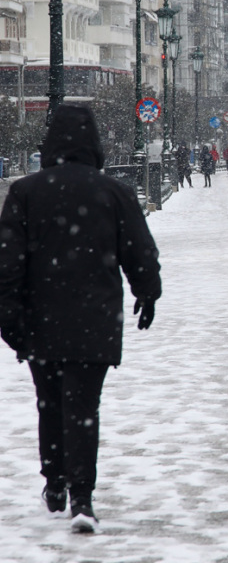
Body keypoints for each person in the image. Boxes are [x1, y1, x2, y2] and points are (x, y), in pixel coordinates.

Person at [0, 104, 162, 534]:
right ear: (95, 145)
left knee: (48, 403)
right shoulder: (114, 192)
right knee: (83, 408)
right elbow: (140, 252)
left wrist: (9, 315)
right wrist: (147, 292)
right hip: (94, 319)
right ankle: (82, 497)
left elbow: (8, 263)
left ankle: (53, 484)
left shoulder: (25, 193)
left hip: (41, 319)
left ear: (50, 143)